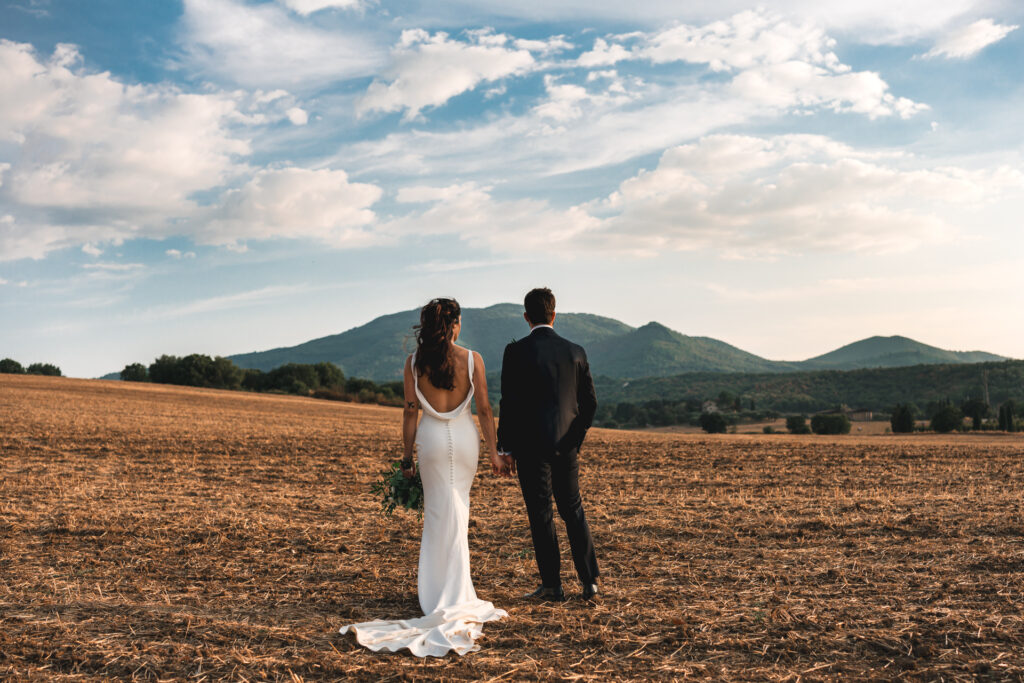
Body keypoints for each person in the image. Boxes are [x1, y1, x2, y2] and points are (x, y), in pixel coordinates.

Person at [340, 298, 509, 657]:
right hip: (464, 442)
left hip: (430, 442)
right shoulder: (472, 359)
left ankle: (435, 594)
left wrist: (405, 457)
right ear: (456, 324)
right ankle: (458, 591)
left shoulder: (414, 364)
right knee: (458, 509)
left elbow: (410, 411)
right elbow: (484, 408)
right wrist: (494, 451)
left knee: (438, 512)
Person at [497, 288, 600, 602]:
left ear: (526, 317)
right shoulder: (576, 351)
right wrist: (574, 440)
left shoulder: (515, 353)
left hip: (530, 447)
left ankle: (553, 586)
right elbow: (590, 405)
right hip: (566, 445)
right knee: (573, 509)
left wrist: (505, 448)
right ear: (554, 314)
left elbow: (509, 403)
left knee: (541, 514)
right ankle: (590, 582)